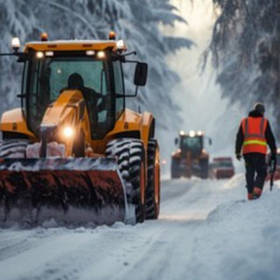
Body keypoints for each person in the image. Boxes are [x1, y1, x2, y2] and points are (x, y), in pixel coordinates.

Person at [235, 103, 277, 200]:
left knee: (250, 172)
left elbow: (239, 138)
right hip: (260, 152)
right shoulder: (264, 122)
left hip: (247, 152)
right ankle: (257, 191)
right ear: (262, 112)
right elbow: (270, 138)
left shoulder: (245, 122)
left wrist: (237, 152)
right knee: (261, 172)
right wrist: (273, 151)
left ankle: (250, 193)